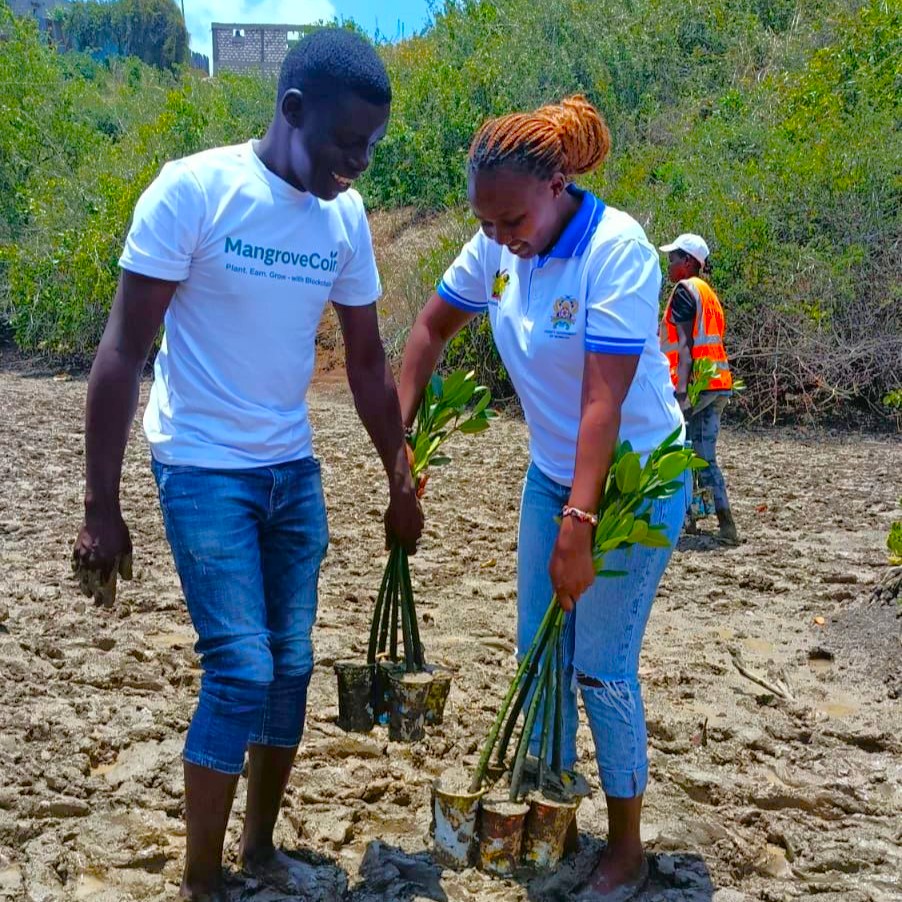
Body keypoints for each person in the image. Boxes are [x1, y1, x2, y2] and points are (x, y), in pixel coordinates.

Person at [71, 29, 423, 902]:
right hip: (200, 466)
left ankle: (260, 852)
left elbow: (371, 364)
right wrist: (99, 506)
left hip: (289, 470)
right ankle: (201, 878)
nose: (358, 163)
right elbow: (121, 351)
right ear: (292, 111)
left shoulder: (343, 219)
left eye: (371, 145)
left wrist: (400, 476)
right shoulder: (195, 191)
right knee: (241, 667)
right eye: (346, 142)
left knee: (292, 666)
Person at [399, 96, 689, 900]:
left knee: (600, 666)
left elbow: (603, 402)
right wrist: (400, 446)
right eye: (487, 224)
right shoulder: (494, 249)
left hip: (631, 480)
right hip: (550, 475)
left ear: (559, 184)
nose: (503, 239)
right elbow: (427, 333)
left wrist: (579, 525)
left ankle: (626, 848)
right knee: (539, 650)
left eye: (513, 220)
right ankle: (549, 805)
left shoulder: (618, 250)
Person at [659, 234, 739, 544]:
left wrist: (680, 394)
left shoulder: (684, 291)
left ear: (689, 262)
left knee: (677, 452)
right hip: (718, 383)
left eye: (674, 259)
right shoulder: (709, 294)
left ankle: (684, 520)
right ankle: (726, 526)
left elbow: (685, 347)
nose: (670, 266)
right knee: (703, 456)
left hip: (694, 387)